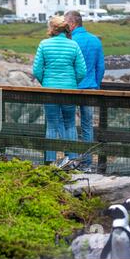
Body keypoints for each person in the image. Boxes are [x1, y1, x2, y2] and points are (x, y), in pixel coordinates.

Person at [33, 16, 87, 165]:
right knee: (70, 123)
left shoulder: (44, 44)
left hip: (50, 90)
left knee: (51, 124)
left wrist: (45, 82)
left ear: (52, 29)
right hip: (70, 89)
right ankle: (71, 158)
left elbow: (37, 69)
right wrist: (73, 82)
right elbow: (82, 71)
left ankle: (50, 161)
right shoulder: (73, 45)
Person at [64, 11, 105, 172]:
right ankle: (87, 163)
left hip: (72, 88)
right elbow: (100, 67)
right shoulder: (95, 41)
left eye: (66, 23)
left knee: (70, 124)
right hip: (89, 88)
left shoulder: (70, 40)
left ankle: (73, 160)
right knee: (88, 125)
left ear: (72, 24)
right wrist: (96, 85)